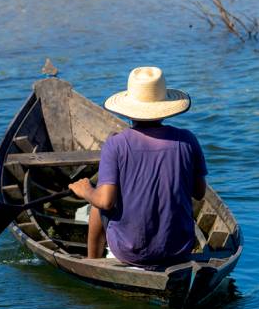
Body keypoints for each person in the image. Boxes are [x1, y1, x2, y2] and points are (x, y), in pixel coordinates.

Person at [68, 66, 208, 265]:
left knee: (98, 205)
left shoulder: (115, 144)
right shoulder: (187, 139)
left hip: (131, 252)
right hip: (180, 249)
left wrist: (85, 190)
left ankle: (93, 262)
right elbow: (200, 192)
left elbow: (106, 201)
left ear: (129, 109)